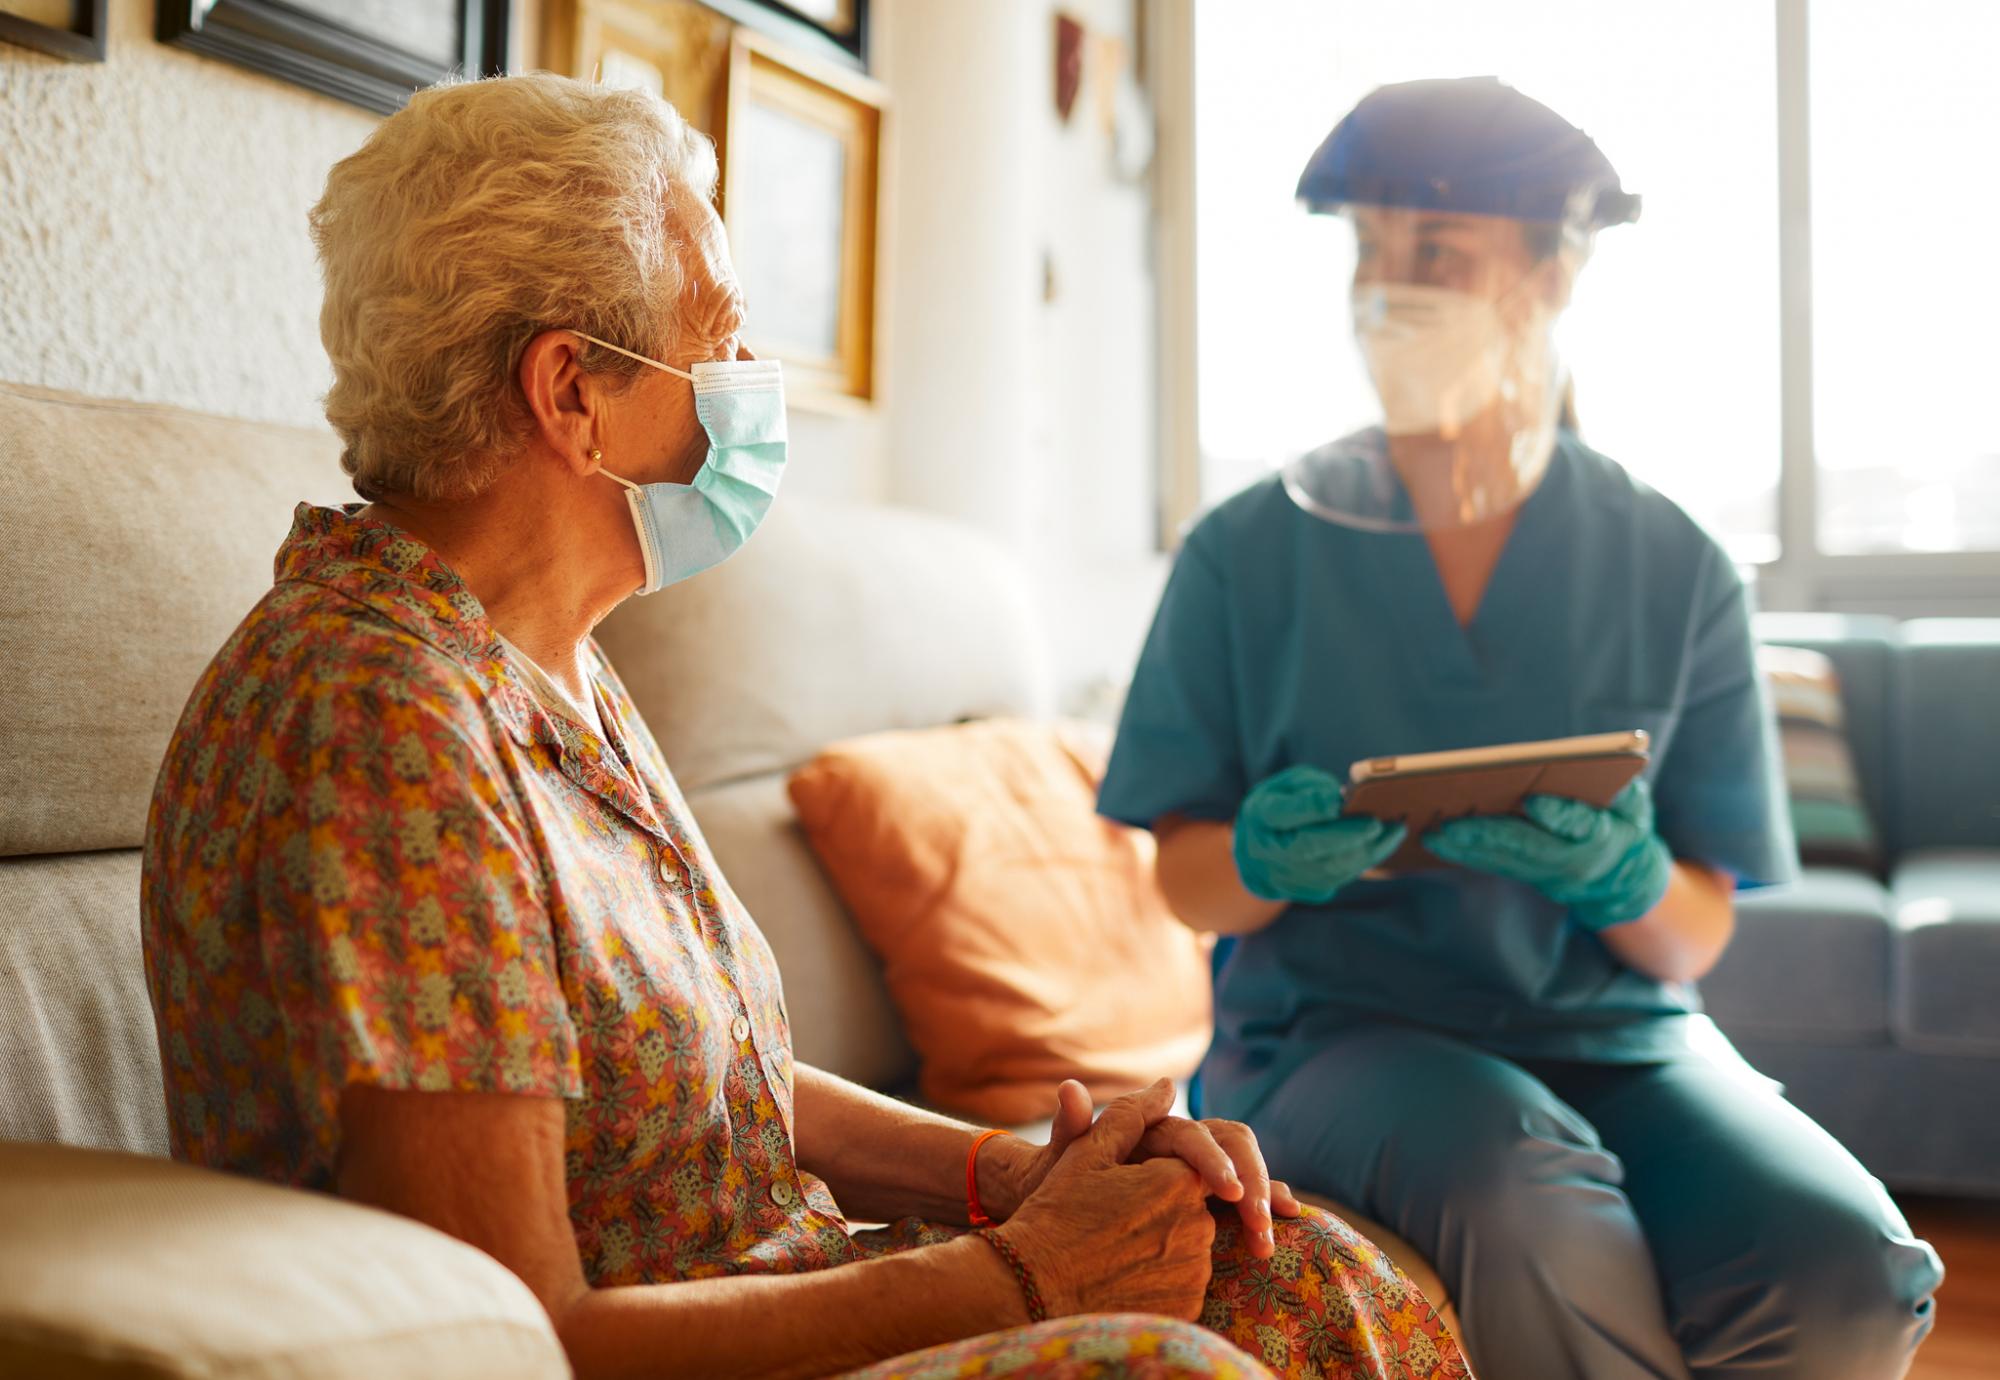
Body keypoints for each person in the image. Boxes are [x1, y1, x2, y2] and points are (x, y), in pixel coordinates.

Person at [139, 74, 1471, 1380]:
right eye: (715, 344)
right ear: (569, 393)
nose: (748, 387)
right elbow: (525, 1335)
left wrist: (1017, 1176)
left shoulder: (549, 664)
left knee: (1311, 1275)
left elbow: (722, 1079)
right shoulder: (378, 717)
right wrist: (1022, 1274)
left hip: (794, 1280)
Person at [1098, 76, 1943, 1380]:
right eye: (1370, 252)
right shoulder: (1246, 553)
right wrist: (1258, 863)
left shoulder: (1678, 565)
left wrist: (1620, 875)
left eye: (1434, 251)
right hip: (1335, 1039)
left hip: (1622, 1040)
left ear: (1553, 276)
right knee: (1524, 1201)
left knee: (1849, 1268)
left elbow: (1697, 926)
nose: (1391, 289)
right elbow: (1186, 879)